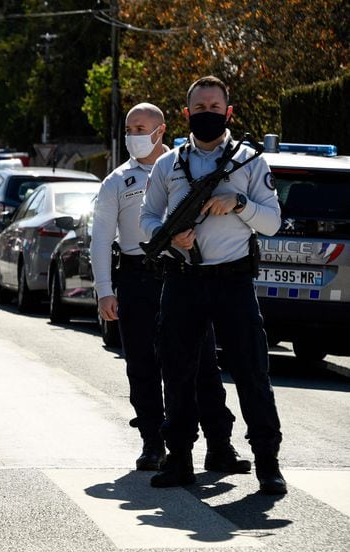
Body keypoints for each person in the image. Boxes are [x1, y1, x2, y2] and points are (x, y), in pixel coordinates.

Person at [140, 76, 286, 494]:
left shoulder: (251, 162)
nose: (208, 113)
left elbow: (273, 223)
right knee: (177, 371)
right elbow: (147, 221)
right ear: (186, 115)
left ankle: (267, 463)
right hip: (183, 281)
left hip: (233, 280)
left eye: (215, 106)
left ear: (229, 112)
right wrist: (171, 238)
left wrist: (239, 204)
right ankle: (180, 460)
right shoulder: (168, 165)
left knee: (251, 371)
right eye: (199, 107)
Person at [92, 102, 250, 475]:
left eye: (140, 127)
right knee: (143, 365)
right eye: (129, 128)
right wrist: (104, 290)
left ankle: (219, 445)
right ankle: (153, 443)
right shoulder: (116, 181)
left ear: (160, 130)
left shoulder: (185, 168)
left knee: (203, 364)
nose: (133, 135)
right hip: (137, 275)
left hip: (184, 274)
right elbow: (100, 239)